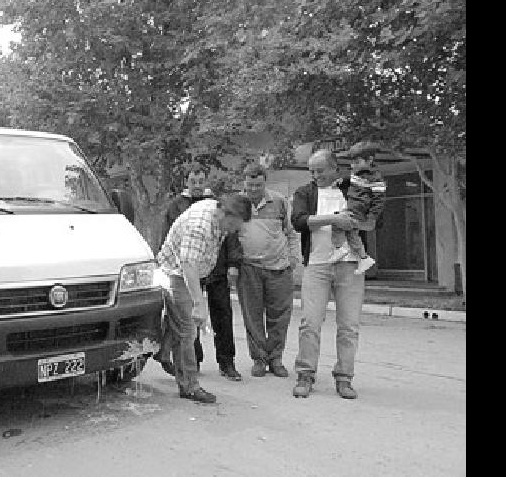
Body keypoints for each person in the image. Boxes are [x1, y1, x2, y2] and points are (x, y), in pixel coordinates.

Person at [290, 149, 374, 400]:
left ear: (335, 168)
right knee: (310, 323)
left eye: (320, 170)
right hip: (317, 265)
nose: (315, 175)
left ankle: (345, 377)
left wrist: (354, 223)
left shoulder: (353, 189)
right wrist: (334, 219)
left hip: (350, 265)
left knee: (349, 325)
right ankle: (305, 374)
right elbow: (299, 221)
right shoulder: (304, 192)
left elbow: (371, 218)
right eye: (312, 171)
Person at [156, 195, 252, 403]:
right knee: (188, 329)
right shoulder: (198, 227)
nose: (236, 231)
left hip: (192, 271)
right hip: (177, 274)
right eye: (235, 226)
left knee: (180, 323)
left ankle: (162, 352)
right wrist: (199, 304)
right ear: (226, 215)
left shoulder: (216, 211)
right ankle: (189, 386)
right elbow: (188, 266)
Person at [235, 164, 301, 378]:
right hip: (249, 269)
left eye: (258, 185)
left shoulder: (280, 201)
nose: (254, 189)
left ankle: (276, 359)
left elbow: (291, 232)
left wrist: (293, 258)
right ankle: (259, 359)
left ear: (265, 183)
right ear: (244, 183)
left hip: (279, 268)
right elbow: (228, 236)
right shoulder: (237, 203)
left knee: (279, 316)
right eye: (250, 185)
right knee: (252, 316)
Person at [329, 142, 387, 274]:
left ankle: (341, 248)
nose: (352, 165)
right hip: (353, 207)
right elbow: (351, 180)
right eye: (352, 162)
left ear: (369, 160)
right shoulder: (356, 174)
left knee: (336, 221)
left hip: (359, 210)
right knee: (352, 234)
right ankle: (363, 258)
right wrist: (341, 181)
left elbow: (379, 201)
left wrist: (372, 218)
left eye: (357, 162)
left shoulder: (376, 179)